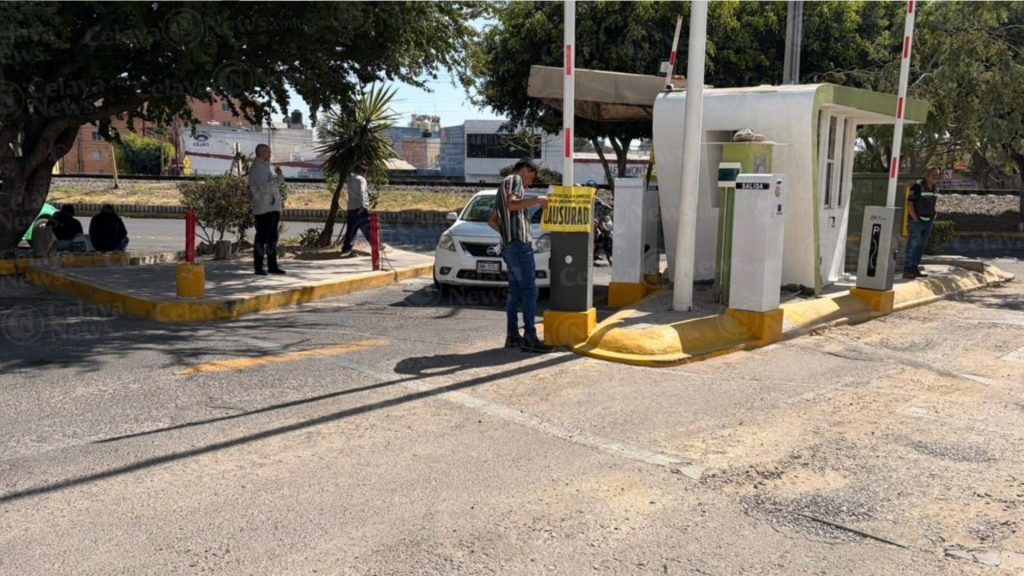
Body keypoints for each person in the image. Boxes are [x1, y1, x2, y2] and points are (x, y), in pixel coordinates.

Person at [488, 158, 550, 352]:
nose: (530, 183)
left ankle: (512, 336)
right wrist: (537, 200)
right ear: (525, 170)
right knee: (530, 290)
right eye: (531, 177)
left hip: (509, 246)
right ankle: (530, 336)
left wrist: (507, 234)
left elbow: (492, 220)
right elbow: (512, 204)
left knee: (515, 293)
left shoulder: (503, 186)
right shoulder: (514, 180)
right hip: (519, 246)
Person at [249, 143, 286, 275]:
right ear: (261, 153)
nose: (270, 154)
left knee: (272, 239)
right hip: (264, 209)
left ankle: (272, 265)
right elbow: (265, 188)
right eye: (268, 152)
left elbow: (272, 185)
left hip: (272, 207)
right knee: (262, 238)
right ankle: (258, 266)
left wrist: (279, 177)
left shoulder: (265, 167)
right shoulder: (257, 169)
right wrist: (276, 180)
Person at [902, 167, 941, 279]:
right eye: (933, 174)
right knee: (912, 246)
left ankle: (914, 268)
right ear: (926, 175)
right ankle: (907, 269)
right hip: (917, 222)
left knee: (920, 246)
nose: (936, 177)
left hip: (928, 222)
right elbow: (910, 203)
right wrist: (915, 218)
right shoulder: (917, 187)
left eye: (937, 175)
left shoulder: (935, 188)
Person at [340, 165, 372, 257]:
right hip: (360, 207)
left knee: (351, 230)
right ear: (363, 172)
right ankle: (376, 246)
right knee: (367, 228)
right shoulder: (362, 179)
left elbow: (354, 193)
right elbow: (361, 192)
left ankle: (346, 248)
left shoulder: (350, 180)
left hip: (351, 207)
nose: (366, 175)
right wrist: (363, 205)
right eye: (366, 173)